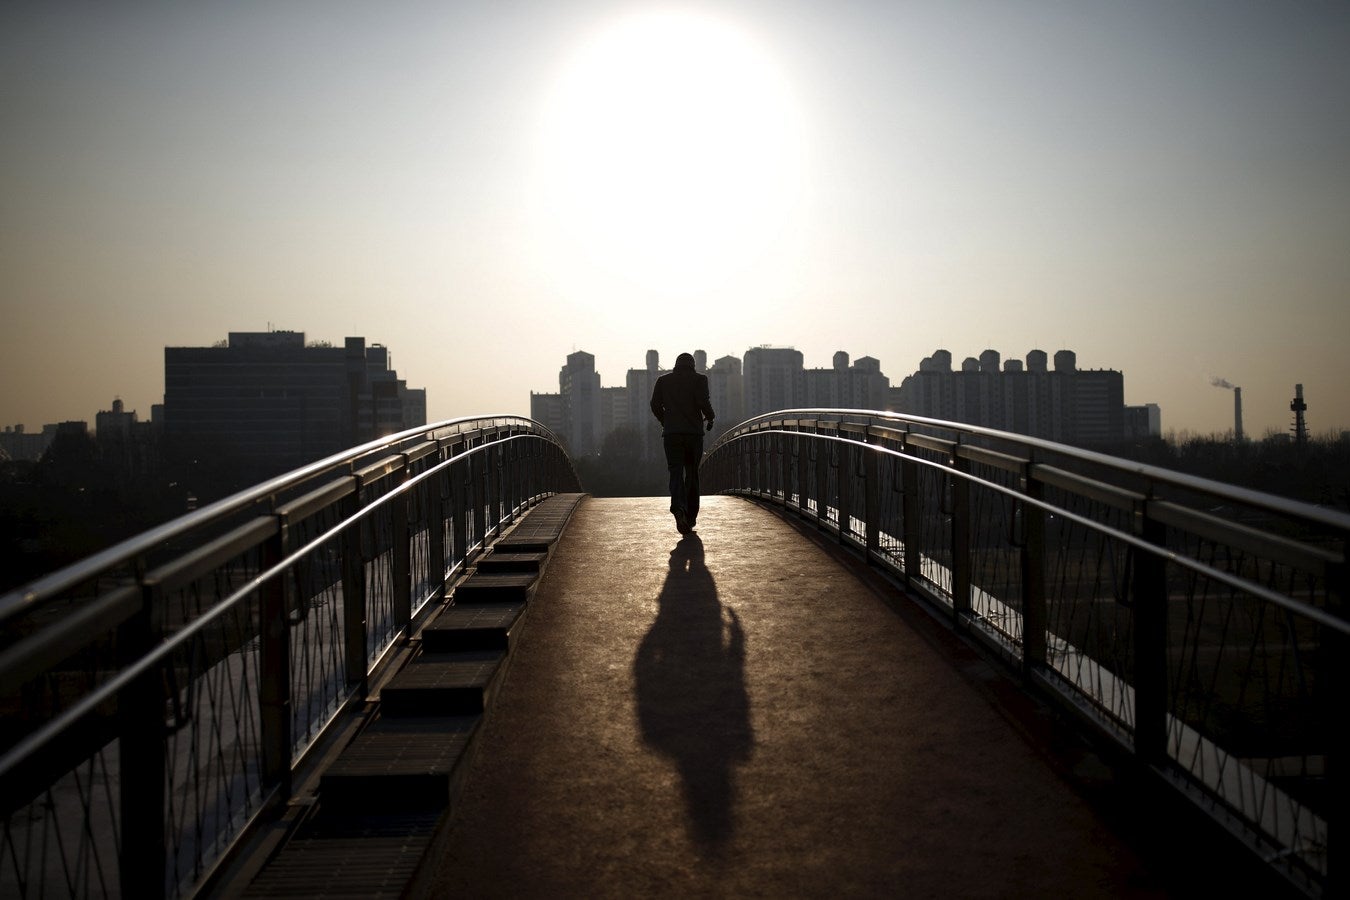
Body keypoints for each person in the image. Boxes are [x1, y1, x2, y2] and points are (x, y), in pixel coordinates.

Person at [649, 352, 715, 534]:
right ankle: (691, 516)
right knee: (692, 474)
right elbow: (703, 402)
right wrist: (710, 417)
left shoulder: (663, 381)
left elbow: (654, 404)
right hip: (693, 435)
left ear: (676, 365)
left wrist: (665, 420)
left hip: (671, 435)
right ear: (693, 365)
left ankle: (678, 509)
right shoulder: (700, 379)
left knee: (675, 472)